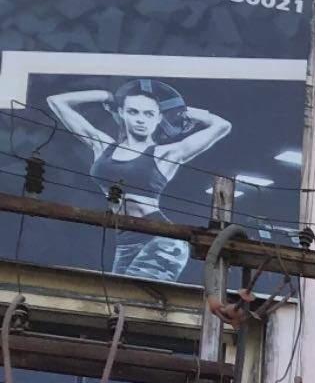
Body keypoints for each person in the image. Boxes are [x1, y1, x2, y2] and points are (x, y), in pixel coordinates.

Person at [45, 80, 230, 281]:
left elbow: (222, 125)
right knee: (115, 298)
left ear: (158, 118)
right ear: (122, 112)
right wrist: (106, 95)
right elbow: (56, 102)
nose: (141, 120)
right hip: (125, 241)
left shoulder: (166, 153)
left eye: (149, 114)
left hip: (161, 239)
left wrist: (184, 111)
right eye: (133, 112)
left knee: (130, 297)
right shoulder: (104, 146)